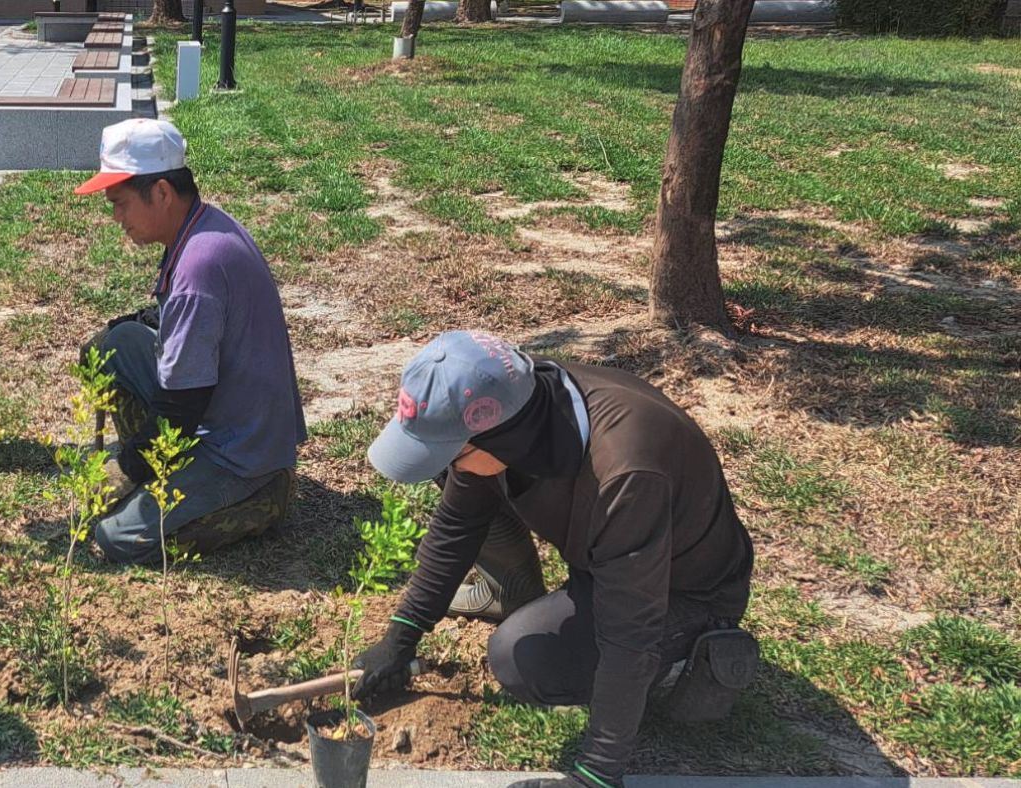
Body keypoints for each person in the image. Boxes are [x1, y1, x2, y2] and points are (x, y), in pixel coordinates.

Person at [352, 331, 758, 788]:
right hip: (608, 563)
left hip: (682, 591)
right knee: (516, 638)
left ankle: (691, 651)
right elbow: (456, 526)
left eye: (453, 454)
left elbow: (630, 631)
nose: (450, 469)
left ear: (502, 440)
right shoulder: (515, 407)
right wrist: (401, 636)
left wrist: (596, 775)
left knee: (528, 661)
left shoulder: (624, 473)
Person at [74, 118, 307, 565]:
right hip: (221, 409)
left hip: (239, 453)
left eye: (120, 203)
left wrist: (126, 470)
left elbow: (181, 408)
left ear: (161, 191)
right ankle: (169, 473)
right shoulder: (203, 224)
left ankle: (260, 500)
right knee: (112, 345)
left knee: (116, 538)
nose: (115, 218)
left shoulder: (198, 268)